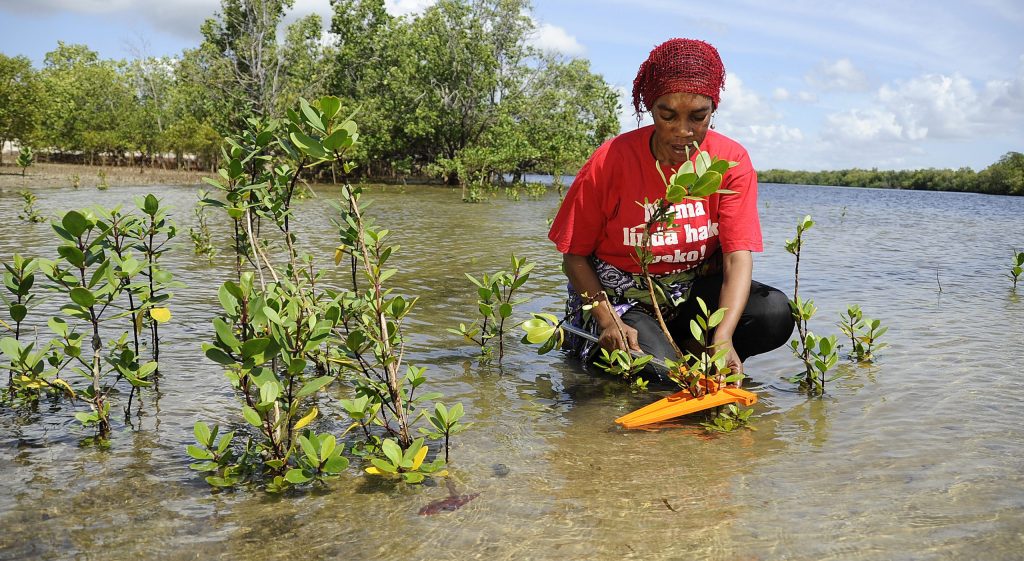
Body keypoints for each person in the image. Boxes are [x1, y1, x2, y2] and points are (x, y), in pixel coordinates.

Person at [548, 38, 794, 383]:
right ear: (651, 109)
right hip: (620, 301)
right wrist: (607, 319)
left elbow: (737, 257)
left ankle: (702, 352)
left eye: (698, 116)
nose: (683, 132)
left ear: (713, 110)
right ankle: (648, 351)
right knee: (656, 374)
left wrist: (722, 336)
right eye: (667, 115)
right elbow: (573, 256)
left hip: (687, 296)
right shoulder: (611, 160)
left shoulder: (731, 161)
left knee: (773, 312)